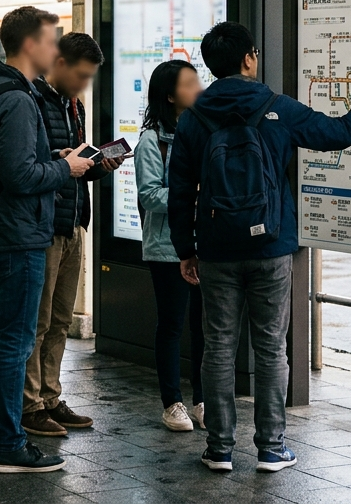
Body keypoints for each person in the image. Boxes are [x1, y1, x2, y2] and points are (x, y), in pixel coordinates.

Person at [168, 22, 351, 474]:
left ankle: (220, 449)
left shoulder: (194, 116)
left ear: (210, 65)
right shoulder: (275, 107)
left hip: (215, 248)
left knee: (218, 346)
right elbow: (335, 134)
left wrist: (184, 250)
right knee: (270, 346)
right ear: (249, 57)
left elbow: (179, 191)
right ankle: (271, 447)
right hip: (271, 246)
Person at [0, 6, 95, 474]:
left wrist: (55, 156)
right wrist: (67, 168)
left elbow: (10, 164)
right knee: (13, 343)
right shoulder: (19, 99)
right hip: (19, 236)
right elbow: (20, 175)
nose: (55, 48)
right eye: (51, 39)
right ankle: (7, 445)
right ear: (30, 45)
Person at [22, 32, 118, 437]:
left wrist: (96, 165)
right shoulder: (32, 101)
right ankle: (30, 406)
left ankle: (51, 396)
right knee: (39, 322)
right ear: (59, 64)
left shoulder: (72, 104)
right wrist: (63, 162)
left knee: (61, 319)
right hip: (44, 227)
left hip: (73, 222)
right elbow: (26, 165)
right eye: (80, 75)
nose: (84, 85)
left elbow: (74, 158)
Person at [136, 60, 206, 432]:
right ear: (169, 95)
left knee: (204, 325)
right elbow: (149, 196)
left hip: (204, 242)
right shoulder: (152, 140)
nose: (199, 87)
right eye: (189, 83)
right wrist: (192, 195)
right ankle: (171, 402)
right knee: (173, 324)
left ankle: (201, 399)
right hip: (166, 247)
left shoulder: (201, 131)